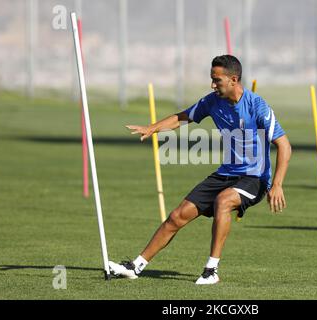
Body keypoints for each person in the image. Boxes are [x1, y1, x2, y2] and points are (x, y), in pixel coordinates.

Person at [108, 55, 292, 284]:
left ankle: (210, 271)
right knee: (177, 216)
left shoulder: (257, 106)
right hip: (225, 173)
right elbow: (182, 118)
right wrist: (153, 128)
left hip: (254, 178)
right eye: (211, 79)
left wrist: (276, 185)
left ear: (234, 79)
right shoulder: (212, 101)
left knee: (224, 201)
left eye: (217, 80)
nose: (212, 85)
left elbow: (284, 145)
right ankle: (135, 266)